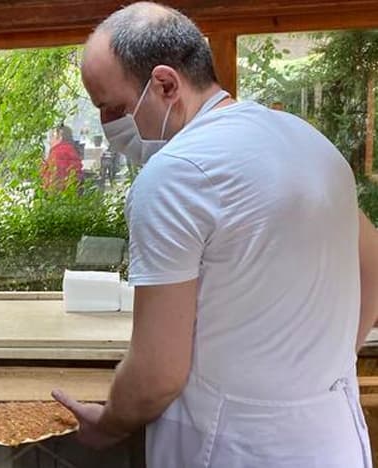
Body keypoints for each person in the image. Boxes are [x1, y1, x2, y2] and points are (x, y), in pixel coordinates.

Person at [51, 2, 378, 467]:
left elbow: (157, 373)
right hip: (332, 437)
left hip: (236, 447)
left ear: (165, 84)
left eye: (113, 107)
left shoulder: (176, 175)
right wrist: (312, 370)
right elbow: (373, 267)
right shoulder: (308, 142)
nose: (109, 126)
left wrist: (110, 423)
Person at [41, 124, 84, 190]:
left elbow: (55, 178)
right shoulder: (70, 150)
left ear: (60, 137)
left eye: (52, 137)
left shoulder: (58, 153)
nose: (49, 141)